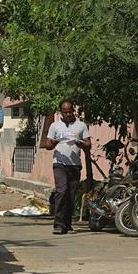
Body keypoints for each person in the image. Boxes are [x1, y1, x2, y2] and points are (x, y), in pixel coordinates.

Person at [46, 100, 91, 234]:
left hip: (75, 165)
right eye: (65, 112)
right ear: (61, 112)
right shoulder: (55, 126)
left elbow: (89, 145)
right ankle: (58, 225)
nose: (68, 114)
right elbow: (48, 144)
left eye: (70, 111)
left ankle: (67, 223)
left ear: (73, 111)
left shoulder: (81, 126)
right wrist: (53, 143)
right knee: (62, 191)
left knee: (71, 195)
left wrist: (80, 144)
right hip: (59, 164)